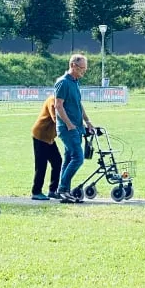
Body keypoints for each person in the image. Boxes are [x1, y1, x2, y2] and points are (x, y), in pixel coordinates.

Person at [54, 54, 93, 203]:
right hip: (68, 129)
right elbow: (58, 105)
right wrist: (69, 124)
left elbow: (78, 104)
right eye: (82, 68)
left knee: (69, 158)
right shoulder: (63, 82)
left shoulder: (75, 82)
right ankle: (62, 189)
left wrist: (87, 121)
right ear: (73, 66)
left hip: (77, 128)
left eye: (85, 68)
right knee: (78, 158)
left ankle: (64, 191)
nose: (84, 71)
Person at [30, 95, 62, 200]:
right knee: (41, 164)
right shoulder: (52, 100)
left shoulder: (62, 102)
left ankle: (52, 190)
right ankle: (36, 192)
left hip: (49, 137)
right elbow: (56, 118)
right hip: (41, 135)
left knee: (57, 161)